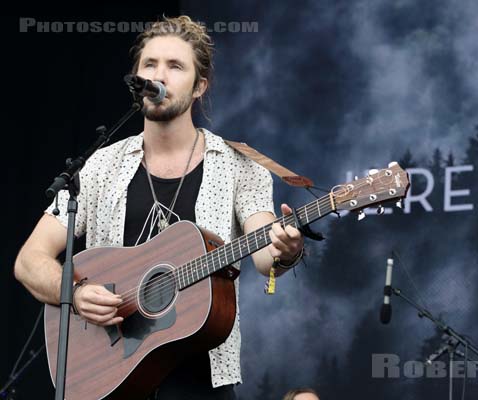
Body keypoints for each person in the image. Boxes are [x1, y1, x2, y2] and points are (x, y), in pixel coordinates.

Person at [13, 15, 304, 400]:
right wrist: (76, 293)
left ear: (200, 86)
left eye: (175, 66)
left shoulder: (239, 166)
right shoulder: (101, 166)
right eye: (149, 65)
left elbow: (266, 253)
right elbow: (29, 260)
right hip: (108, 376)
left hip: (199, 379)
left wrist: (286, 251)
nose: (159, 74)